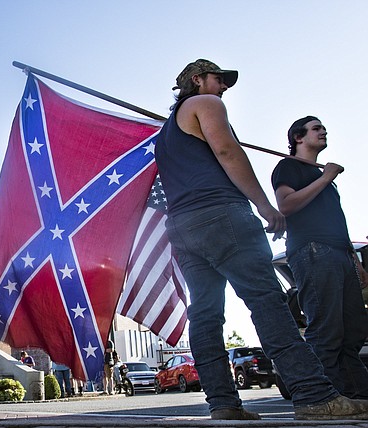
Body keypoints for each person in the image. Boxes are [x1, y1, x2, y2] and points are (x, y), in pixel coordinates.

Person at [155, 58, 368, 420]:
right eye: (218, 80)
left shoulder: (166, 132)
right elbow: (227, 151)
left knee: (205, 315)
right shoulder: (206, 104)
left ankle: (222, 403)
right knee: (266, 301)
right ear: (197, 79)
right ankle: (315, 396)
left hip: (183, 227)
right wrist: (265, 205)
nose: (223, 88)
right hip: (222, 214)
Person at [271, 116, 368, 398]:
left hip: (340, 255)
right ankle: (317, 397)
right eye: (316, 128)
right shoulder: (289, 167)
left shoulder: (323, 177)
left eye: (323, 127)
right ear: (298, 137)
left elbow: (336, 222)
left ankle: (355, 395)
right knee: (325, 330)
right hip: (313, 252)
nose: (323, 131)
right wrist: (327, 177)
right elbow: (286, 204)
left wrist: (356, 262)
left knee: (353, 330)